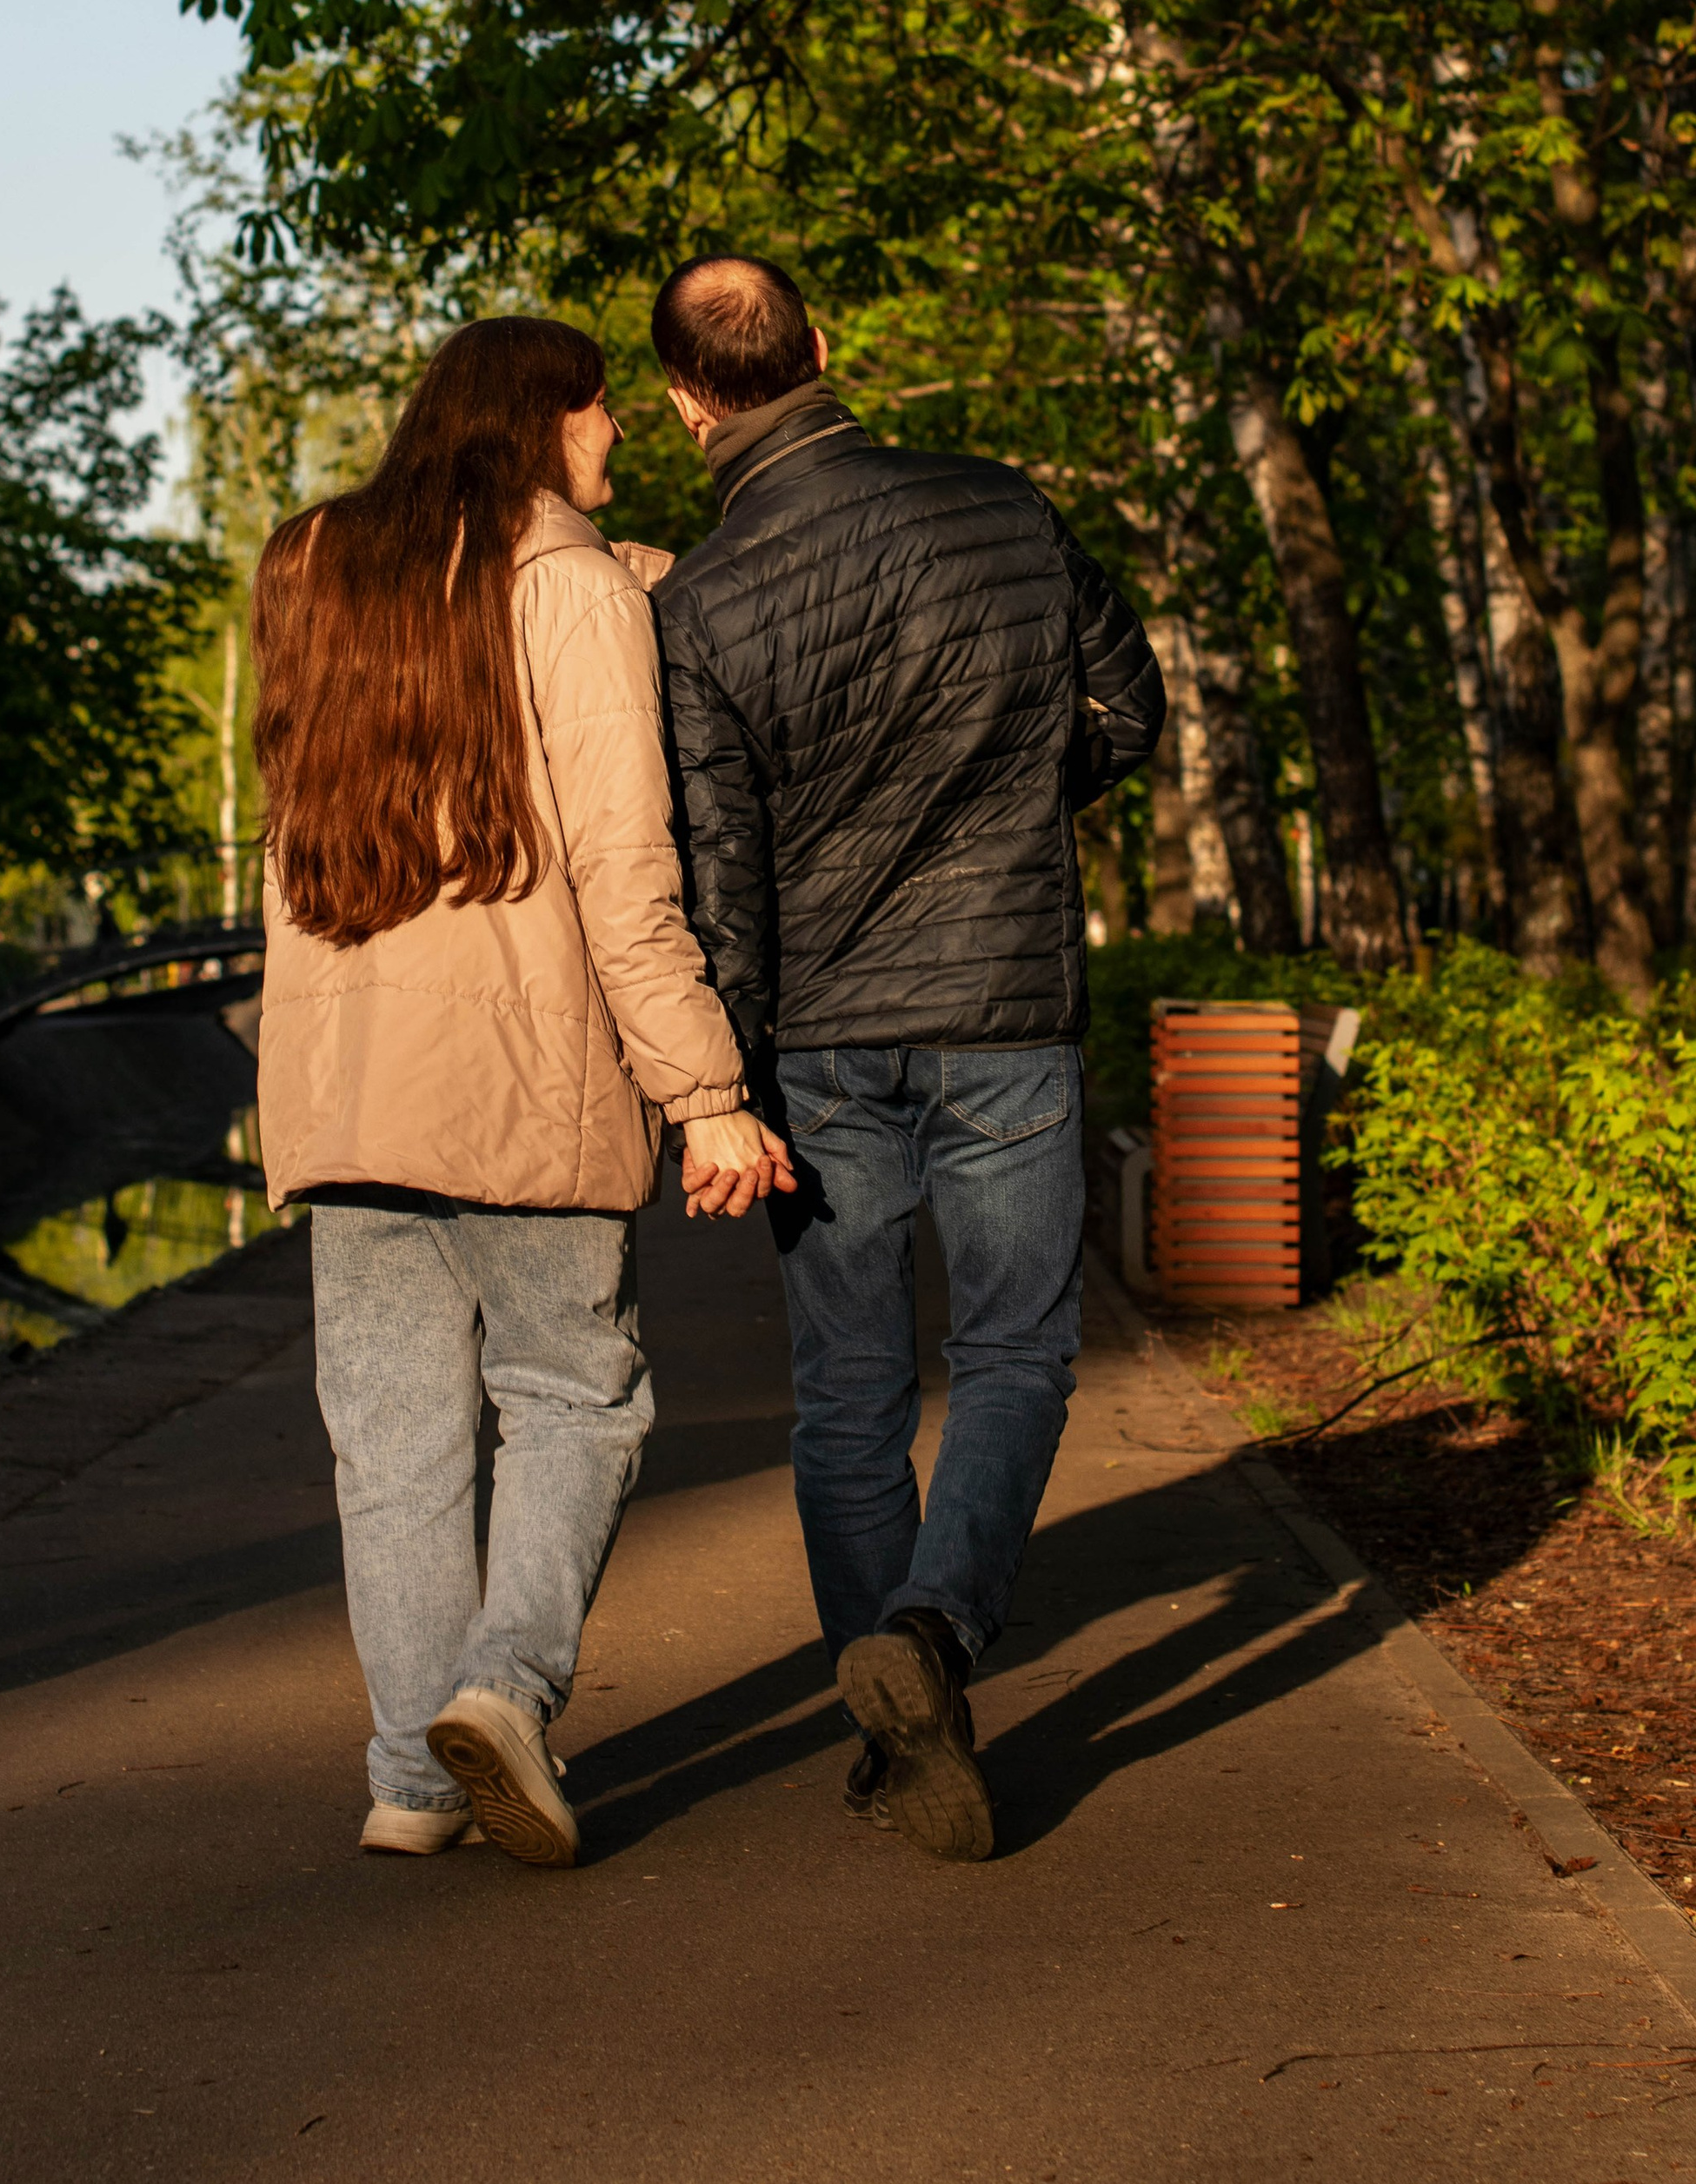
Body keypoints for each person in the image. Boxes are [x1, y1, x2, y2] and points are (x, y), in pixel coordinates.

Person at [251, 317, 792, 1871]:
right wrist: (704, 1089)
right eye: (601, 408)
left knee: (393, 1443)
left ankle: (409, 1783)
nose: (616, 430)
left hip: (348, 1091)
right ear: (545, 419)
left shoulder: (314, 569)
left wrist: (626, 573)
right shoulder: (566, 588)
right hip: (524, 1088)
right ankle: (503, 1690)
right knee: (574, 1398)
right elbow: (625, 870)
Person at [653, 256, 1163, 1863]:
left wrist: (724, 1084)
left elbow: (722, 870)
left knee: (851, 1389)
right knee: (1015, 1353)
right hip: (1004, 1004)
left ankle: (896, 1723)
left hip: (817, 1038)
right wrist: (1012, 806)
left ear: (684, 406)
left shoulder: (697, 606)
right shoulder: (1002, 507)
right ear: (825, 347)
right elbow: (1129, 710)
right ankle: (935, 1634)